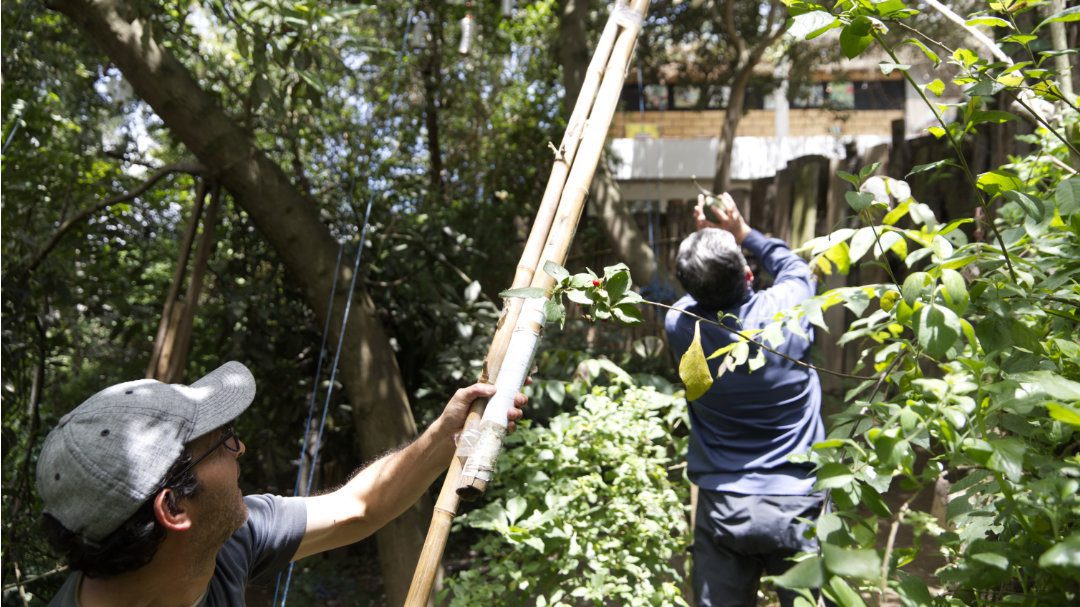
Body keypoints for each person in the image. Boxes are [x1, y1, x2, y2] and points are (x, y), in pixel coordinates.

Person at [35, 361, 526, 606]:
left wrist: (447, 434)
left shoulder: (222, 541)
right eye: (223, 441)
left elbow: (358, 508)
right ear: (175, 508)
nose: (240, 449)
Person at [664, 193, 826, 607]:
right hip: (798, 502)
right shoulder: (788, 310)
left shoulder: (683, 327)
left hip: (724, 507)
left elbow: (695, 295)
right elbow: (794, 266)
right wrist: (741, 232)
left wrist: (708, 250)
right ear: (749, 276)